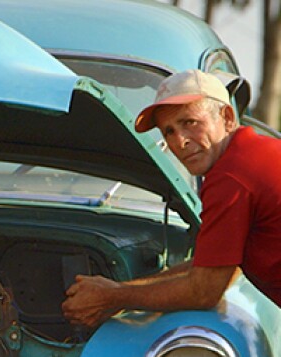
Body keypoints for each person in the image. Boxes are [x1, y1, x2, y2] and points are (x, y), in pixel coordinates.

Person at [62, 69, 281, 328]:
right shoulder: (251, 153)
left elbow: (204, 291)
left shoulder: (231, 177)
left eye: (190, 122)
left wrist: (112, 296)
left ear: (227, 117)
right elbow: (215, 267)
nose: (180, 141)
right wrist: (118, 291)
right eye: (168, 131)